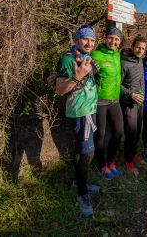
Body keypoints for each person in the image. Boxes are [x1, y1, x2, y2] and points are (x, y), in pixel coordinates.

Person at [55, 25, 99, 217]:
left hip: (88, 109)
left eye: (92, 40)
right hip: (81, 112)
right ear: (76, 40)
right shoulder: (68, 58)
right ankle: (82, 194)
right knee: (88, 152)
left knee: (81, 150)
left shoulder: (86, 57)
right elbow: (60, 89)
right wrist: (77, 76)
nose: (89, 43)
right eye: (85, 39)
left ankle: (78, 181)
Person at [91, 27, 124, 180]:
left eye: (116, 39)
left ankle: (111, 162)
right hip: (100, 101)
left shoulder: (118, 55)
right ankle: (101, 164)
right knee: (100, 135)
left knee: (118, 132)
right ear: (105, 38)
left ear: (120, 42)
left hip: (115, 100)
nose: (113, 41)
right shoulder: (96, 54)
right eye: (111, 38)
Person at [120, 36, 147, 177]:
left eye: (143, 48)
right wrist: (131, 94)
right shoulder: (124, 62)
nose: (140, 50)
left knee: (138, 130)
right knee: (130, 132)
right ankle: (128, 161)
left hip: (140, 102)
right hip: (129, 103)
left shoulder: (141, 61)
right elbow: (117, 85)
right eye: (138, 47)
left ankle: (134, 153)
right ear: (132, 46)